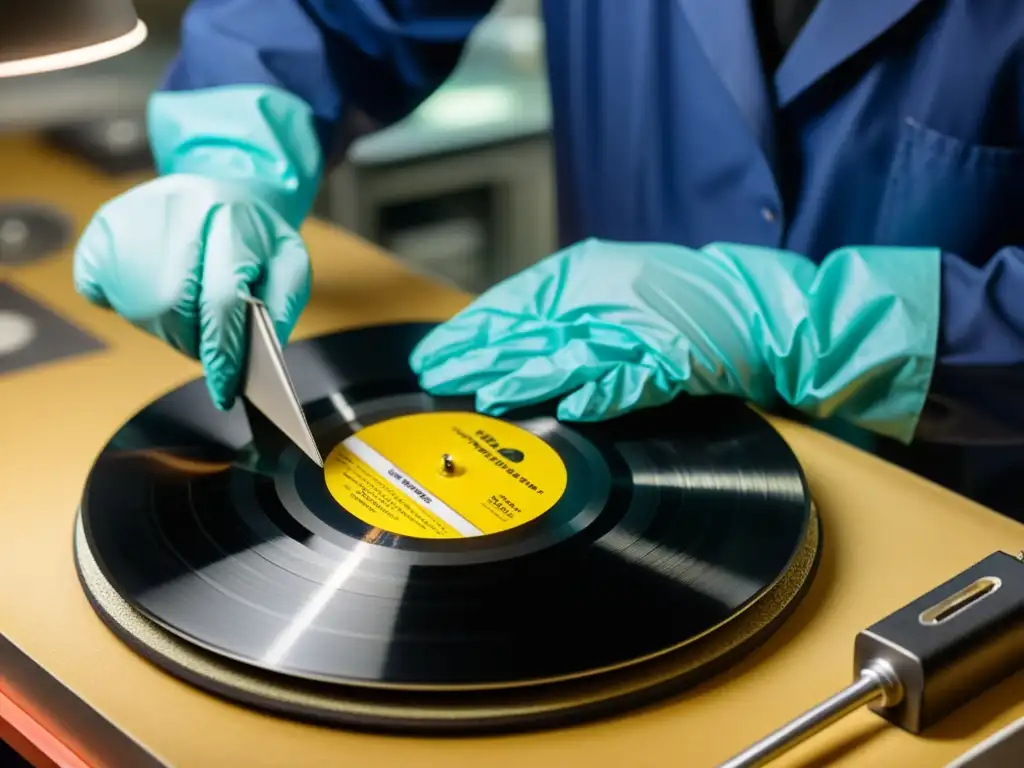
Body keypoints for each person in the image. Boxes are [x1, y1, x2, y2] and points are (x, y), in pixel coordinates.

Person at [73, 1, 1024, 518]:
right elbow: (330, 14)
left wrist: (822, 328)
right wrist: (227, 159)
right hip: (603, 454)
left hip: (963, 511)